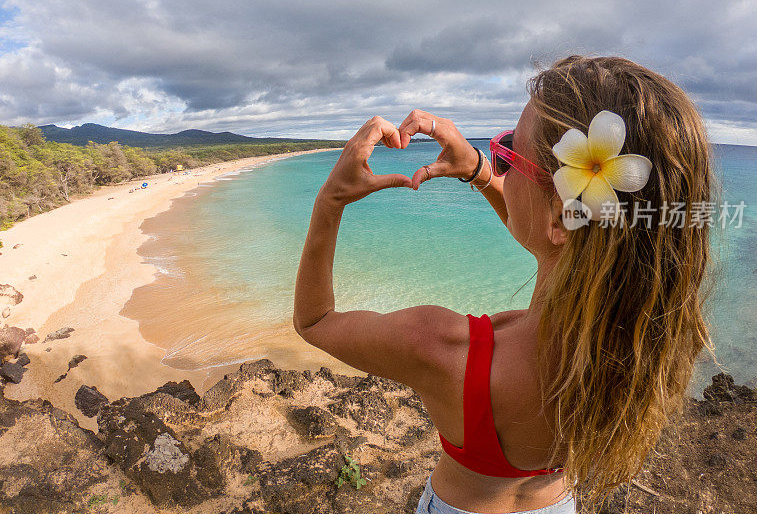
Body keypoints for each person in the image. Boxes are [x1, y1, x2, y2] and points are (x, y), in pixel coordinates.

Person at [293, 55, 714, 513]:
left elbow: (315, 321)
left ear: (561, 214)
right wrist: (478, 167)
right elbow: (553, 236)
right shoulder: (645, 345)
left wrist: (330, 200)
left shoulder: (442, 348)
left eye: (509, 152)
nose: (500, 163)